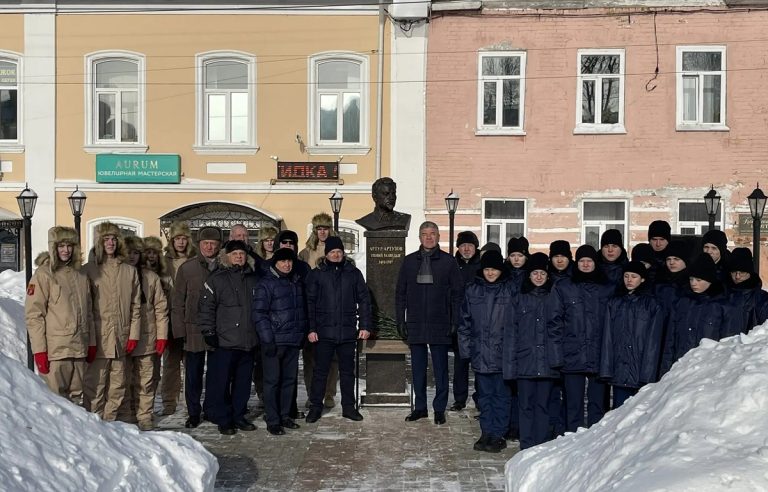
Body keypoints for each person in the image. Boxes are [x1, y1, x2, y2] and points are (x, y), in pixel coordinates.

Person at [396, 221, 464, 425]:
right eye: (424, 234)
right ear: (419, 237)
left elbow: (457, 295)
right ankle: (420, 407)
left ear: (438, 236)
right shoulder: (409, 262)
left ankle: (439, 408)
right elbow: (400, 293)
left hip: (440, 321)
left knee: (441, 370)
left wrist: (455, 320)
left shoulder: (448, 262)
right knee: (417, 369)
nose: (428, 237)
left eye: (432, 234)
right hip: (416, 322)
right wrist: (401, 319)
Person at [305, 236, 372, 423]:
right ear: (326, 254)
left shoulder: (353, 273)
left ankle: (349, 408)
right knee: (320, 372)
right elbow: (309, 303)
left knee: (348, 373)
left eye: (339, 252)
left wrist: (365, 325)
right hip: (323, 333)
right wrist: (311, 329)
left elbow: (364, 300)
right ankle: (315, 407)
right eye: (332, 252)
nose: (336, 255)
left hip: (347, 332)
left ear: (343, 253)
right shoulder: (317, 274)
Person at [25, 226, 94, 402]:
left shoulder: (80, 275)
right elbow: (34, 316)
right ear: (53, 247)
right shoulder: (44, 274)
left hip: (79, 349)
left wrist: (91, 343)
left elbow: (89, 313)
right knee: (56, 402)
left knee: (77, 400)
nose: (66, 250)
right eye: (61, 246)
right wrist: (39, 351)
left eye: (69, 246)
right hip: (57, 351)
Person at [199, 240, 260, 435]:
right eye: (235, 254)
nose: (239, 257)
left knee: (243, 383)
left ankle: (238, 415)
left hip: (248, 341)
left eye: (242, 254)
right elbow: (206, 308)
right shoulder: (217, 279)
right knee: (221, 382)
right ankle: (223, 418)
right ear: (227, 257)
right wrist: (208, 332)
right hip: (224, 341)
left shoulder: (254, 279)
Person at [550, 244, 613, 432]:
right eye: (582, 261)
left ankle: (594, 444)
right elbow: (554, 322)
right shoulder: (564, 287)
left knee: (597, 405)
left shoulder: (607, 288)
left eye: (590, 261)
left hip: (598, 354)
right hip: (572, 354)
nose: (586, 264)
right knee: (572, 404)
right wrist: (557, 355)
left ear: (595, 263)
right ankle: (571, 442)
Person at [83, 222, 141, 421]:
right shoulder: (89, 271)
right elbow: (84, 309)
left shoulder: (128, 271)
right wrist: (89, 339)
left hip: (120, 337)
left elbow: (135, 306)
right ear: (100, 242)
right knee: (95, 385)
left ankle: (110, 424)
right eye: (106, 239)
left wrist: (133, 334)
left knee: (118, 385)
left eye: (114, 239)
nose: (110, 243)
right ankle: (93, 422)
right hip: (98, 337)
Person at [505, 252, 562, 450]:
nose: (538, 277)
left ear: (548, 276)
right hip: (525, 362)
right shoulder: (519, 299)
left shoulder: (554, 298)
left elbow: (560, 330)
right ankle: (526, 445)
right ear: (529, 275)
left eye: (542, 273)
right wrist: (510, 366)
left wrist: (558, 360)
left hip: (547, 363)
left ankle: (541, 446)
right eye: (535, 273)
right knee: (525, 406)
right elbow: (511, 333)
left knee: (543, 406)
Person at [459, 250, 513, 453]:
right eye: (487, 269)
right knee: (484, 396)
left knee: (501, 396)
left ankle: (498, 434)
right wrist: (466, 351)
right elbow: (464, 322)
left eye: (495, 269)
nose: (491, 273)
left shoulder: (509, 290)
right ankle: (486, 432)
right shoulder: (472, 290)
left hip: (502, 355)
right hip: (480, 353)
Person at [252, 247, 308, 435]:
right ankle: (273, 419)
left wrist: (301, 335)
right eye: (283, 261)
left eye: (290, 261)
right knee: (272, 381)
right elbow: (259, 313)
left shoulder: (295, 282)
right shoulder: (266, 284)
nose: (287, 264)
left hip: (292, 340)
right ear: (275, 263)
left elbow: (300, 312)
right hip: (274, 341)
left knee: (289, 381)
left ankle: (285, 416)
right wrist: (267, 339)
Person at [172, 226, 222, 428]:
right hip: (192, 329)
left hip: (218, 328)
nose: (209, 247)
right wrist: (179, 331)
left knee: (216, 374)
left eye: (213, 244)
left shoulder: (223, 266)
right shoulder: (187, 268)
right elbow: (178, 301)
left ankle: (212, 409)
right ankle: (193, 412)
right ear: (199, 244)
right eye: (206, 243)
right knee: (193, 374)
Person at [118, 236, 169, 430]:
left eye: (136, 253)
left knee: (146, 379)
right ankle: (129, 413)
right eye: (129, 252)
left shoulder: (150, 277)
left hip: (148, 335)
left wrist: (162, 336)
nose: (132, 256)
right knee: (126, 378)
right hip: (124, 335)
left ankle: (145, 415)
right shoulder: (120, 276)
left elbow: (161, 309)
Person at [600, 261, 664, 408]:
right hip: (619, 370)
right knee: (619, 415)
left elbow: (653, 343)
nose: (629, 280)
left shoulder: (652, 305)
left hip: (641, 372)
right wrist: (607, 370)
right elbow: (607, 339)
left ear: (642, 279)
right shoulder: (614, 303)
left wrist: (647, 375)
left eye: (634, 276)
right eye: (626, 276)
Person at [661, 254, 735, 374]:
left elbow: (728, 345)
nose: (694, 283)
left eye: (699, 280)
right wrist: (665, 372)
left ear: (709, 280)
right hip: (679, 368)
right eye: (691, 279)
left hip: (707, 371)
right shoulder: (681, 303)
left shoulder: (723, 307)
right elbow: (670, 341)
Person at [299, 212, 339, 410]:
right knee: (311, 358)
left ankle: (329, 393)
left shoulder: (337, 250)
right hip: (311, 309)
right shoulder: (305, 253)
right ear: (315, 231)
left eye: (326, 228)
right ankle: (312, 393)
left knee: (332, 358)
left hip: (332, 311)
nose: (322, 232)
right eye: (319, 229)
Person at [160, 221, 196, 416]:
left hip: (189, 317)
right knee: (171, 363)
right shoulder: (164, 261)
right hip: (169, 316)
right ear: (171, 240)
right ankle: (168, 401)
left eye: (184, 238)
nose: (180, 243)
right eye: (177, 239)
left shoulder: (194, 260)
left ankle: (188, 401)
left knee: (190, 363)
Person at [450, 231, 482, 412]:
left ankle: (479, 398)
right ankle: (459, 399)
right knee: (460, 364)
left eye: (470, 245)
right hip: (460, 322)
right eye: (463, 246)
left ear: (475, 247)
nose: (466, 249)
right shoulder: (453, 266)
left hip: (479, 323)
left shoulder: (483, 266)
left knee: (479, 364)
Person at [725, 248, 768, 334]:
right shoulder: (722, 295)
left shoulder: (762, 299)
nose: (737, 276)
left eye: (742, 272)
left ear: (749, 272)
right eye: (734, 272)